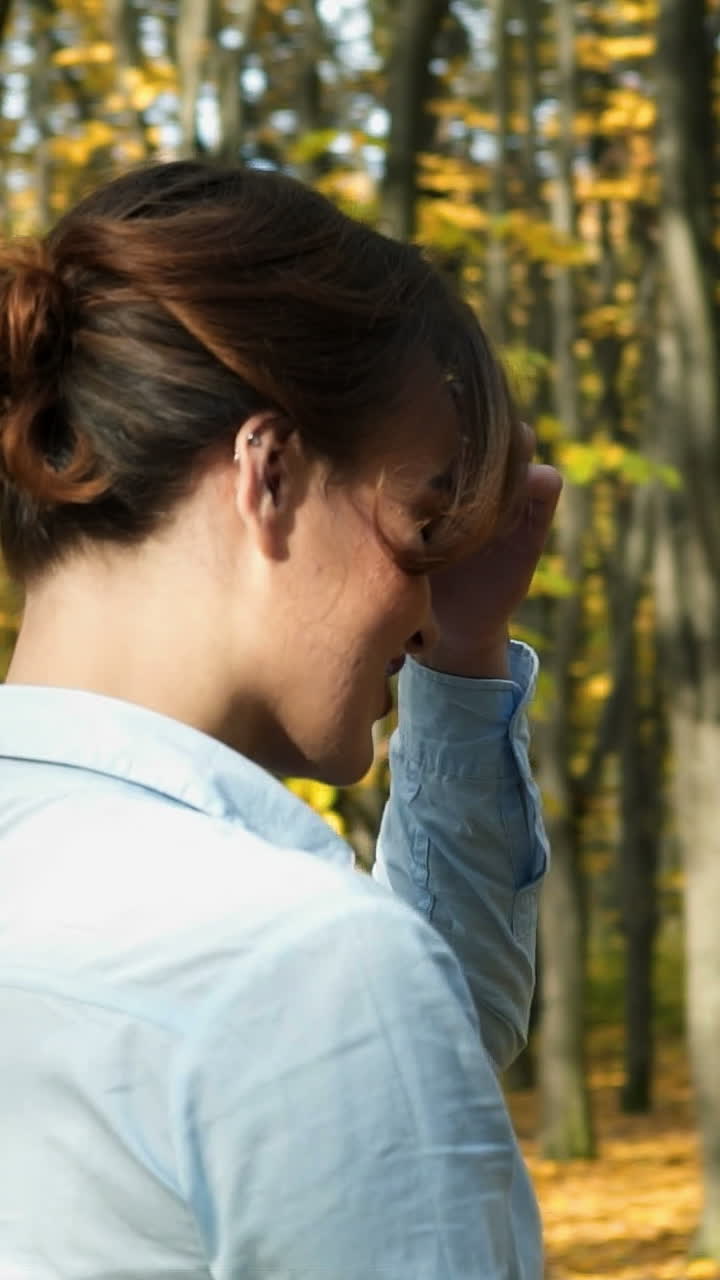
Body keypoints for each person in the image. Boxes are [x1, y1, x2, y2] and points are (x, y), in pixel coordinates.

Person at [0, 160, 561, 1279]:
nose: (425, 602)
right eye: (424, 517)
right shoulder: (302, 965)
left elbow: (423, 1021)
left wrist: (464, 653)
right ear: (270, 475)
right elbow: (347, 1004)